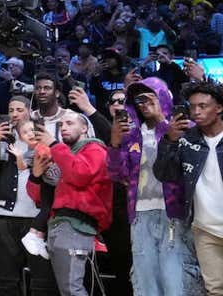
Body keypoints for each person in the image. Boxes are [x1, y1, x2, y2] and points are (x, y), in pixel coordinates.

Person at [110, 77, 199, 296]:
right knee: (145, 281)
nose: (144, 103)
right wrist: (114, 144)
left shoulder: (182, 127)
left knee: (176, 281)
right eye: (138, 99)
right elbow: (117, 174)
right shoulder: (131, 134)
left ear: (163, 97)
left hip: (175, 214)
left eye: (150, 96)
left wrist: (162, 120)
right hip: (140, 214)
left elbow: (187, 164)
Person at [0, 96, 56, 296]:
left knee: (41, 277)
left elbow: (55, 176)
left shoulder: (42, 137)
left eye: (19, 109)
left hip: (35, 215)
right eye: (11, 110)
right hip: (3, 214)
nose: (14, 114)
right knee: (4, 277)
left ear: (29, 111)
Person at [28, 112, 112, 296]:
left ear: (84, 128)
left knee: (71, 290)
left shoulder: (95, 149)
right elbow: (38, 198)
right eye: (61, 125)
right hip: (59, 225)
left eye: (69, 123)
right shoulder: (64, 155)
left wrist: (54, 145)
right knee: (67, 289)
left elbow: (80, 175)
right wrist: (36, 174)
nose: (64, 127)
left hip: (76, 225)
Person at [155, 81, 223, 295]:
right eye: (192, 106)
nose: (196, 112)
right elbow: (164, 174)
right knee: (214, 290)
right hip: (205, 229)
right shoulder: (185, 140)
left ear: (219, 108)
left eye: (203, 106)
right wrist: (169, 141)